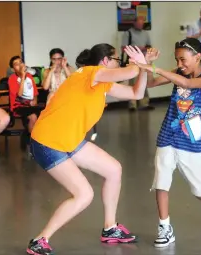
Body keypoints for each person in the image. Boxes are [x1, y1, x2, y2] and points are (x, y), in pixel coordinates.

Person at [26, 43, 148, 255]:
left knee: (113, 169)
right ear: (105, 61)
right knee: (83, 194)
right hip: (48, 142)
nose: (118, 64)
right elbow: (130, 71)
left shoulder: (102, 83)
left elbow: (137, 93)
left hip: (69, 140)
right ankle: (39, 240)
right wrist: (141, 63)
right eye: (116, 59)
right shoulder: (90, 73)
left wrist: (144, 68)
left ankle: (110, 228)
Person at [134, 38, 201, 248]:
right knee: (161, 182)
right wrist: (148, 67)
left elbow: (186, 84)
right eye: (176, 59)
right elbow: (150, 83)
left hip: (190, 143)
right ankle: (165, 227)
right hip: (167, 135)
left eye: (183, 59)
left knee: (200, 191)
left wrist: (155, 67)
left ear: (197, 57)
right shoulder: (179, 73)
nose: (180, 64)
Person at [121, 16, 155, 111]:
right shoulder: (128, 33)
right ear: (134, 23)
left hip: (144, 61)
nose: (141, 25)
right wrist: (138, 48)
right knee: (133, 83)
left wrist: (146, 50)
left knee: (144, 81)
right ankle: (132, 105)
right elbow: (123, 48)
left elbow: (149, 47)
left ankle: (144, 103)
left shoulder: (145, 33)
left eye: (142, 23)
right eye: (139, 23)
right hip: (133, 62)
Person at [8, 56, 41, 150]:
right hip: (18, 106)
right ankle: (34, 145)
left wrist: (35, 100)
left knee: (42, 116)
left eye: (21, 62)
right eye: (16, 64)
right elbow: (19, 95)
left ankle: (28, 135)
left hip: (30, 105)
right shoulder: (12, 79)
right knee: (33, 117)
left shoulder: (30, 77)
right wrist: (22, 77)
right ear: (12, 68)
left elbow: (35, 92)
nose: (20, 65)